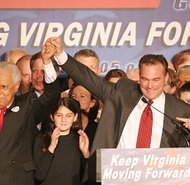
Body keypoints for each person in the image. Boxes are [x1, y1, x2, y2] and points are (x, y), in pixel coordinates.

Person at [47, 37, 190, 151]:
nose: (150, 85)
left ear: (166, 79)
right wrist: (60, 55)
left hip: (159, 182)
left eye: (156, 80)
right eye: (145, 79)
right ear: (139, 77)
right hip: (119, 179)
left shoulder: (181, 110)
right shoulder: (123, 92)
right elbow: (88, 78)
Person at [0, 44, 60, 185]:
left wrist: (47, 63)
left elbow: (51, 97)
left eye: (4, 87)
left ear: (16, 85)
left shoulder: (27, 105)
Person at [32, 97, 90, 185]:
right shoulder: (41, 140)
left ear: (75, 117)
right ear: (52, 117)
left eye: (68, 116)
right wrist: (52, 146)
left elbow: (89, 178)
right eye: (59, 115)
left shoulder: (80, 141)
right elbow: (39, 175)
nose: (64, 120)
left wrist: (86, 153)